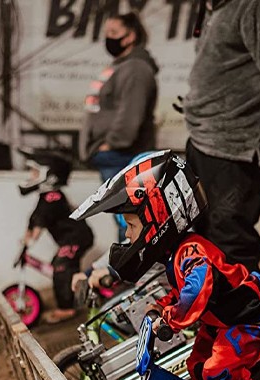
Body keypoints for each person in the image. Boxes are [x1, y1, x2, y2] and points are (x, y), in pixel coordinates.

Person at [71, 150, 260, 380]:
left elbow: (196, 291)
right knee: (196, 366)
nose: (128, 237)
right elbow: (181, 291)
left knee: (217, 372)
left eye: (131, 227)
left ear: (158, 217)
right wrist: (160, 307)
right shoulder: (176, 254)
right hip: (221, 320)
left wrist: (170, 319)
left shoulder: (192, 250)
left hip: (248, 318)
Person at [183, 0, 260, 273]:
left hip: (235, 147)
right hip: (202, 140)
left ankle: (253, 316)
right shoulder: (217, 7)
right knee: (201, 243)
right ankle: (216, 313)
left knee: (231, 247)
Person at [81, 12, 159, 241]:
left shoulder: (135, 68)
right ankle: (124, 271)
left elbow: (130, 113)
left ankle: (128, 273)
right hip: (114, 155)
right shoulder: (123, 66)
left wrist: (111, 144)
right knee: (124, 219)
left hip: (122, 155)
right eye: (107, 33)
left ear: (130, 36)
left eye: (114, 33)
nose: (109, 38)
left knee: (129, 219)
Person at [18, 147, 94, 323]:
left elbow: (41, 220)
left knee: (62, 268)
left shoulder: (53, 197)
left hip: (76, 237)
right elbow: (35, 217)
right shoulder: (47, 196)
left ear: (49, 175)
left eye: (35, 171)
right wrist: (27, 236)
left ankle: (66, 309)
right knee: (62, 265)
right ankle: (78, 294)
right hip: (71, 238)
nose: (30, 175)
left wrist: (32, 239)